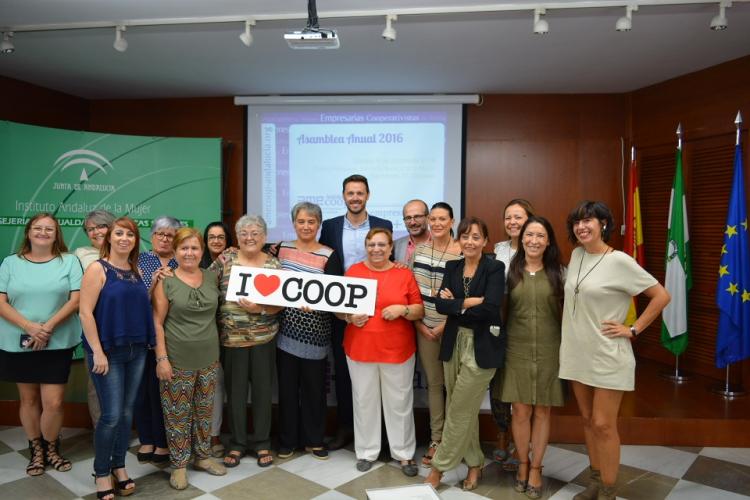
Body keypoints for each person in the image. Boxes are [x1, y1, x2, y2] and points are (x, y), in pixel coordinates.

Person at [560, 201, 670, 500]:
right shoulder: (577, 255)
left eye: (589, 220)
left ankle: (609, 490)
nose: (581, 226)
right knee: (586, 421)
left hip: (608, 353)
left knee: (603, 424)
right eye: (577, 222)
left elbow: (661, 295)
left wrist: (633, 329)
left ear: (603, 224)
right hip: (576, 352)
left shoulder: (620, 260)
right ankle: (595, 480)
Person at [425, 216, 505, 492]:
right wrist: (469, 302)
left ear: (485, 241)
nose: (469, 242)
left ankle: (439, 468)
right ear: (458, 240)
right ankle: (474, 463)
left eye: (475, 237)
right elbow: (439, 305)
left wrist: (456, 304)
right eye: (464, 236)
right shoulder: (452, 266)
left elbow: (492, 307)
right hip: (453, 343)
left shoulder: (495, 268)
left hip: (482, 346)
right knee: (464, 409)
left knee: (458, 408)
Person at [0, 213, 82, 478]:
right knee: (28, 398)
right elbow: (1, 302)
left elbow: (75, 299)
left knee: (54, 403)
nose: (43, 232)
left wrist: (47, 327)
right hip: (19, 341)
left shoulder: (69, 262)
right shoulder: (10, 263)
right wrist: (29, 326)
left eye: (49, 229)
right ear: (28, 232)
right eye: (38, 228)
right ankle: (36, 448)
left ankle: (51, 447)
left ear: (57, 234)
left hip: (57, 340)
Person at [337, 227, 424, 476]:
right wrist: (349, 317)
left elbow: (418, 309)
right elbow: (338, 309)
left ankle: (404, 454)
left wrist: (403, 310)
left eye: (382, 245)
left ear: (390, 248)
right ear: (366, 247)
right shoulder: (353, 272)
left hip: (398, 350)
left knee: (400, 404)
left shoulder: (403, 273)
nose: (376, 249)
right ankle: (366, 452)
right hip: (360, 349)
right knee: (364, 403)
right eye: (372, 244)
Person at [79, 216, 155, 500]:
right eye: (119, 233)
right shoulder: (97, 269)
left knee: (126, 414)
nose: (125, 238)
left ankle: (119, 466)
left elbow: (131, 306)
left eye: (131, 235)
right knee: (110, 415)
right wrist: (97, 351)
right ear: (109, 237)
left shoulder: (134, 270)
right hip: (107, 352)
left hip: (135, 350)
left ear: (136, 241)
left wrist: (152, 286)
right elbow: (85, 312)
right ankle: (101, 472)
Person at [319, 174, 393, 450]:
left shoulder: (383, 226)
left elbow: (390, 262)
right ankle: (346, 428)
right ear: (343, 196)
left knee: (379, 371)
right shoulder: (329, 226)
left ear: (368, 195)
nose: (355, 197)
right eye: (350, 193)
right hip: (342, 308)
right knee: (343, 368)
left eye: (360, 193)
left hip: (378, 305)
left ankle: (381, 432)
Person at [153, 227, 226, 490]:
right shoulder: (166, 280)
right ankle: (180, 465)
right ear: (175, 251)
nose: (189, 253)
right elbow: (157, 323)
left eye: (194, 248)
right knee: (177, 415)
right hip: (176, 359)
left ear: (202, 251)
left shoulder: (210, 277)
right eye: (184, 248)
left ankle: (203, 457)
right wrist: (161, 358)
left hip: (208, 357)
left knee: (204, 412)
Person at [210, 215, 283, 468]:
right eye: (244, 233)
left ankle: (262, 443)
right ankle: (238, 444)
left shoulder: (274, 265)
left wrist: (260, 309)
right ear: (237, 238)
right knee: (236, 394)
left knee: (263, 393)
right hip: (231, 340)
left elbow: (280, 305)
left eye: (255, 233)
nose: (249, 237)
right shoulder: (225, 260)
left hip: (265, 338)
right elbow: (206, 287)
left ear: (264, 237)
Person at [501, 216, 565, 499]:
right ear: (522, 239)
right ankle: (523, 464)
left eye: (540, 235)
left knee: (543, 411)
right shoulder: (509, 273)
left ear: (548, 240)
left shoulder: (560, 273)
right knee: (522, 410)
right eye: (529, 235)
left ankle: (537, 467)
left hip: (551, 350)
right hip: (517, 350)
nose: (534, 240)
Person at [274, 202, 342, 460]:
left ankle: (314, 440)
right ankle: (287, 441)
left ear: (318, 225)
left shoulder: (329, 254)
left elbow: (334, 294)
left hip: (316, 332)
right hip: (284, 332)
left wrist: (318, 305)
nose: (306, 226)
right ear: (294, 224)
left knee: (314, 389)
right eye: (301, 221)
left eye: (311, 222)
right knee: (288, 389)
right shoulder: (281, 249)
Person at [411, 202, 462, 467]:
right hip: (423, 328)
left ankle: (455, 441)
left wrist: (445, 324)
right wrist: (420, 324)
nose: (438, 223)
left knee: (455, 386)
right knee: (434, 385)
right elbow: (410, 289)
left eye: (443, 218)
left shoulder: (462, 252)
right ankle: (436, 440)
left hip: (453, 328)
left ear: (452, 221)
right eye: (434, 219)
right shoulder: (419, 251)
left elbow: (465, 296)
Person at [491, 198, 535, 467]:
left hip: (526, 326)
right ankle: (502, 433)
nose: (513, 222)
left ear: (530, 218)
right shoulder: (498, 249)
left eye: (518, 217)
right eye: (508, 217)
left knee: (522, 386)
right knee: (497, 383)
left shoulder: (539, 248)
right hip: (498, 323)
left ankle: (524, 443)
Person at [135, 215, 182, 464]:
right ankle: (147, 439)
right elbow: (134, 298)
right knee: (143, 390)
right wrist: (153, 282)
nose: (164, 239)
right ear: (152, 237)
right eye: (160, 234)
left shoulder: (182, 260)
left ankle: (164, 441)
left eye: (170, 235)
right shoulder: (139, 260)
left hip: (173, 334)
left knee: (164, 390)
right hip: (142, 334)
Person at [74, 209, 116, 430]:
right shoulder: (80, 254)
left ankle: (119, 433)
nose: (96, 232)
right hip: (94, 327)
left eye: (101, 226)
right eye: (91, 229)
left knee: (121, 385)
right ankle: (102, 434)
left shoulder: (126, 252)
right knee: (96, 383)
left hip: (121, 329)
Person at [199, 221, 234, 458]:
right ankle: (197, 436)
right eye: (212, 237)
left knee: (219, 386)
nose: (217, 241)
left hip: (227, 336)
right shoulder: (195, 264)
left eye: (221, 237)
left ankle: (214, 436)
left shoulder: (236, 262)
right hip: (199, 335)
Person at [393, 199, 430, 265]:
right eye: (408, 218)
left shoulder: (441, 243)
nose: (412, 222)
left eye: (417, 217)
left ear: (428, 218)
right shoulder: (395, 245)